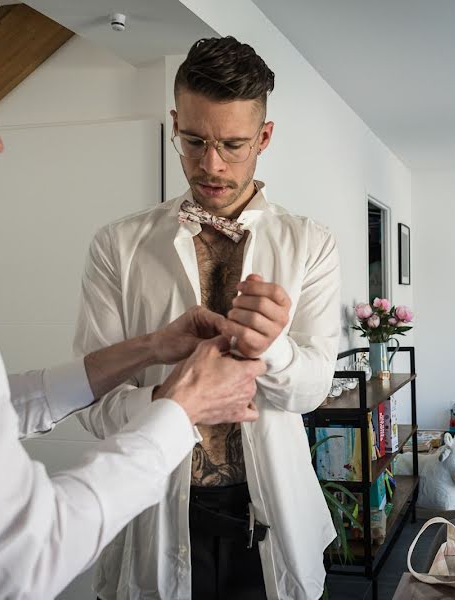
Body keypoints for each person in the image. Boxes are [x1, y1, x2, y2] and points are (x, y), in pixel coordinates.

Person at [0, 3, 266, 598]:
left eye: (232, 144)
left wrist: (151, 347)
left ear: (261, 139)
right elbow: (18, 561)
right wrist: (178, 408)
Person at [74, 36, 341, 600]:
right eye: (193, 141)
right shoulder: (117, 247)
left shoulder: (311, 244)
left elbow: (312, 391)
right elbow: (92, 406)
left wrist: (275, 348)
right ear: (174, 124)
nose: (210, 164)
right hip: (154, 509)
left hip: (269, 514)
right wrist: (172, 398)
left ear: (264, 137)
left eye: (233, 144)